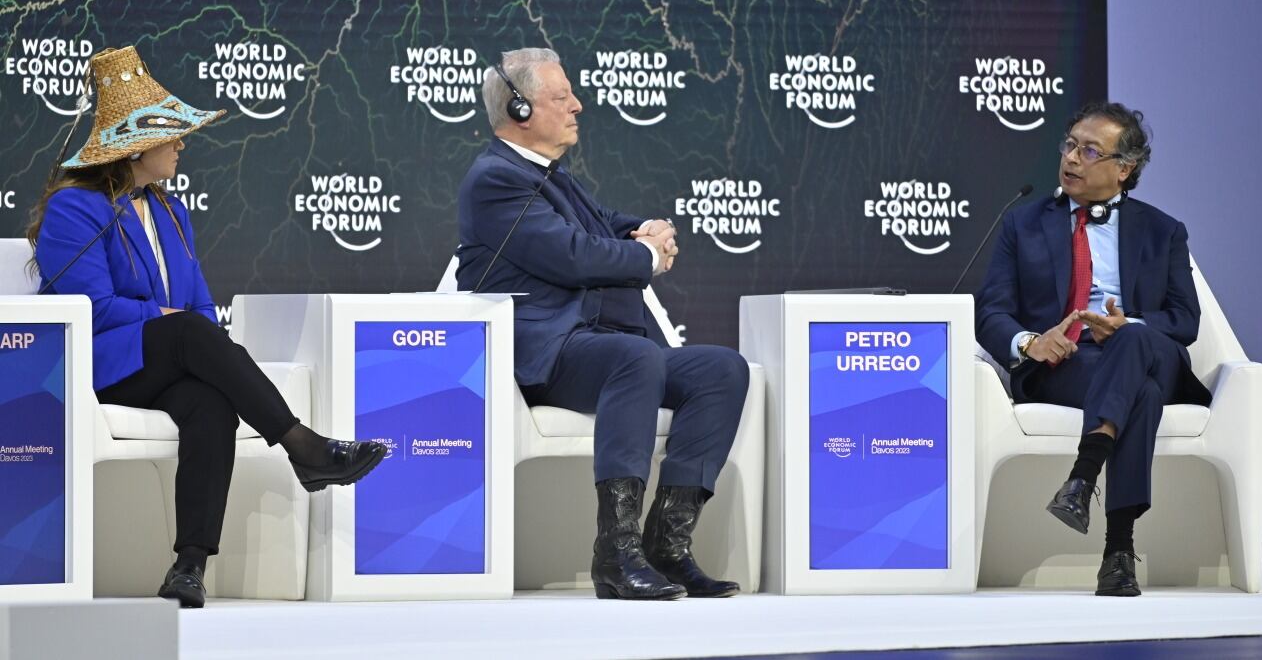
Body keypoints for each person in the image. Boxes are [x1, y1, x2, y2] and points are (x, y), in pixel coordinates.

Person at [30, 45, 388, 608]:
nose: (181, 142)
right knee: (193, 335)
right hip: (96, 365)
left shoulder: (174, 213)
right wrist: (162, 317)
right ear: (134, 147)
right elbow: (88, 307)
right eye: (171, 134)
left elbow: (198, 306)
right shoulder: (75, 210)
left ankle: (189, 567)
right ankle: (303, 446)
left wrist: (174, 322)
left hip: (161, 363)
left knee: (209, 402)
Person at [456, 48, 748, 600]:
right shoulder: (496, 179)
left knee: (721, 369)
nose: (577, 106)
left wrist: (646, 226)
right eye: (561, 97)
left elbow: (601, 224)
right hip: (543, 353)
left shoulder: (550, 176)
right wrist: (648, 258)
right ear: (519, 110)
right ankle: (616, 552)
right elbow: (569, 254)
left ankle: (668, 547)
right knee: (635, 358)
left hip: (596, 347)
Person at [976, 102, 1211, 596]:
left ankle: (1084, 476)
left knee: (1136, 339)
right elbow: (991, 311)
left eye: (1089, 151)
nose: (1072, 159)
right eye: (1069, 145)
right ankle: (1118, 551)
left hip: (1151, 352)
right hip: (1069, 364)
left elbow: (1184, 320)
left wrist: (1129, 325)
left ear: (1123, 169)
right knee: (1140, 395)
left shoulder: (1163, 230)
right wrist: (1032, 342)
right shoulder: (1023, 224)